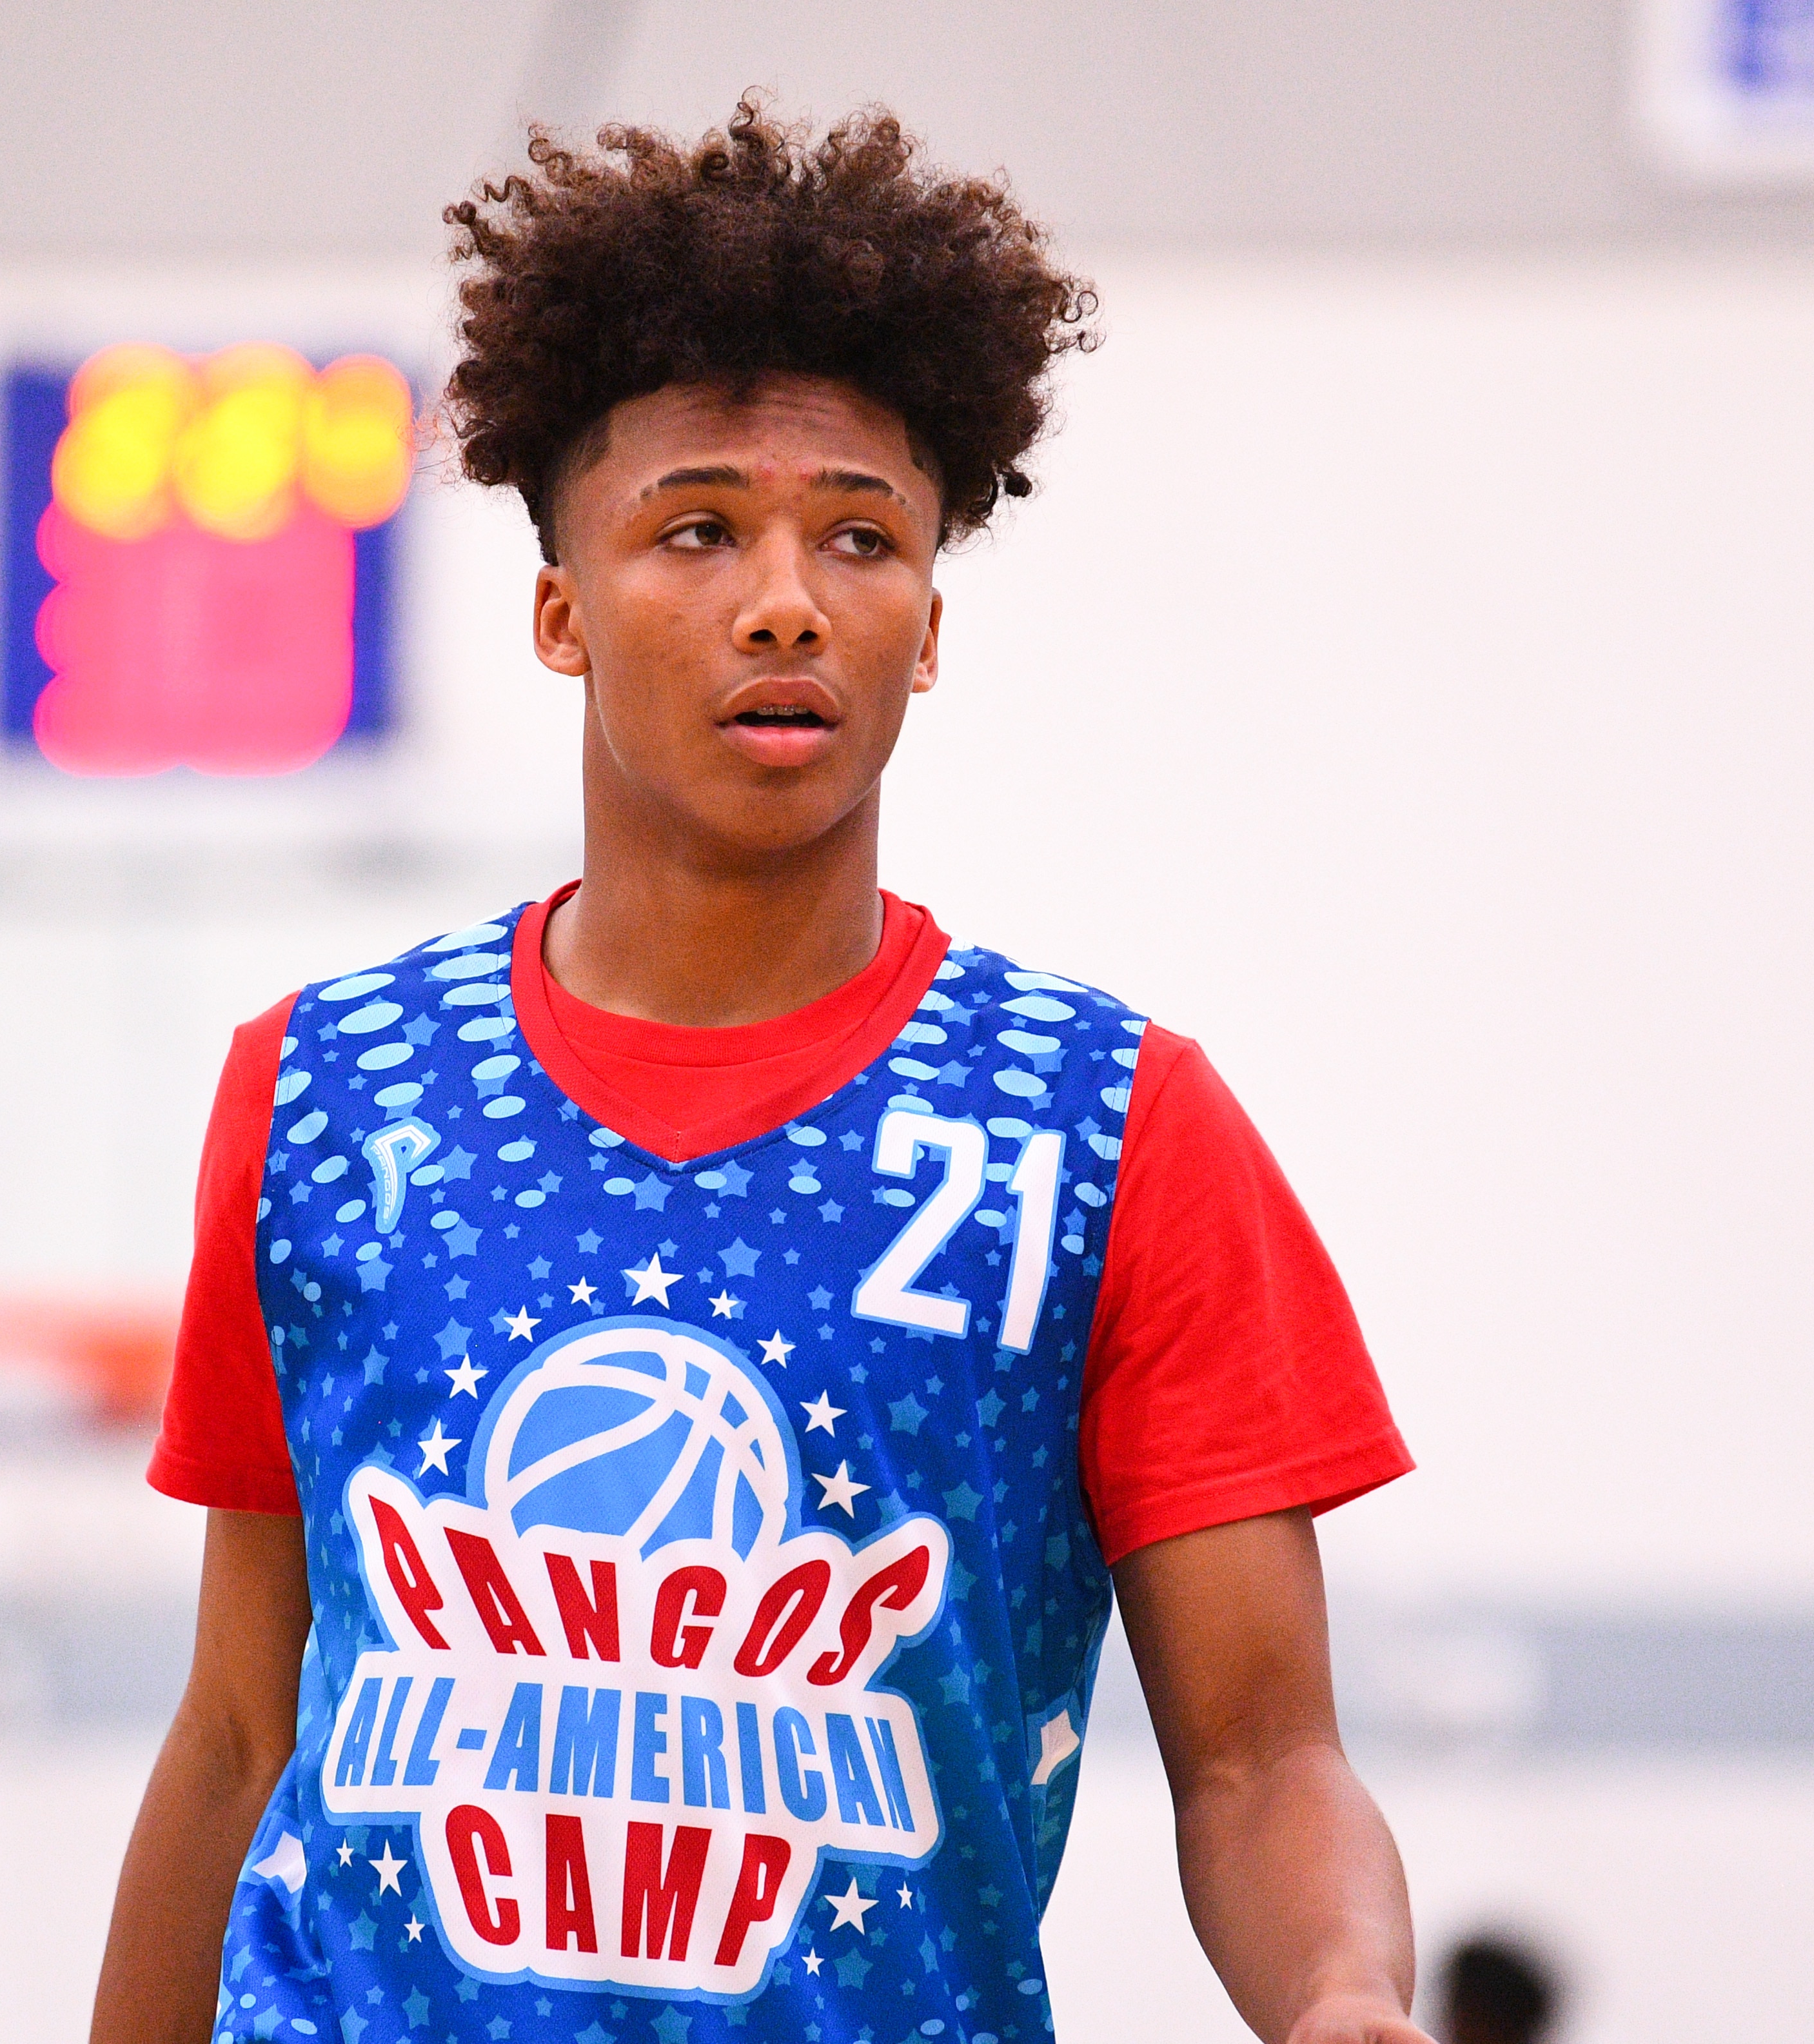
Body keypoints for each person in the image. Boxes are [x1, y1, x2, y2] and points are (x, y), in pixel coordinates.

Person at [93, 99, 1425, 2044]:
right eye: (696, 527)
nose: (784, 596)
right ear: (560, 611)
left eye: (859, 537)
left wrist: (1337, 1989)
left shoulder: (1113, 1128)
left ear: (927, 632)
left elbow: (1258, 1759)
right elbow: (233, 1738)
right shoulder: (325, 1089)